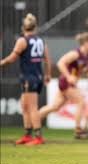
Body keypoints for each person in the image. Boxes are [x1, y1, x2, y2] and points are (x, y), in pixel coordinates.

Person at [0, 13, 51, 145]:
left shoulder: (22, 40)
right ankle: (28, 134)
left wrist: (1, 62)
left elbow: (12, 58)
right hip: (36, 76)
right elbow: (47, 60)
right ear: (35, 27)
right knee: (25, 106)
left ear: (23, 28)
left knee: (32, 107)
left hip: (29, 77)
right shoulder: (40, 41)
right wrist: (47, 74)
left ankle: (38, 136)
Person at [39, 32, 88, 139]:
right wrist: (69, 76)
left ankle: (34, 119)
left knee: (55, 107)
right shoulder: (76, 53)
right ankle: (78, 130)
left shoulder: (87, 55)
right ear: (86, 42)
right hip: (66, 82)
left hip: (70, 83)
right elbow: (60, 63)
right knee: (80, 101)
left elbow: (81, 68)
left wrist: (85, 71)